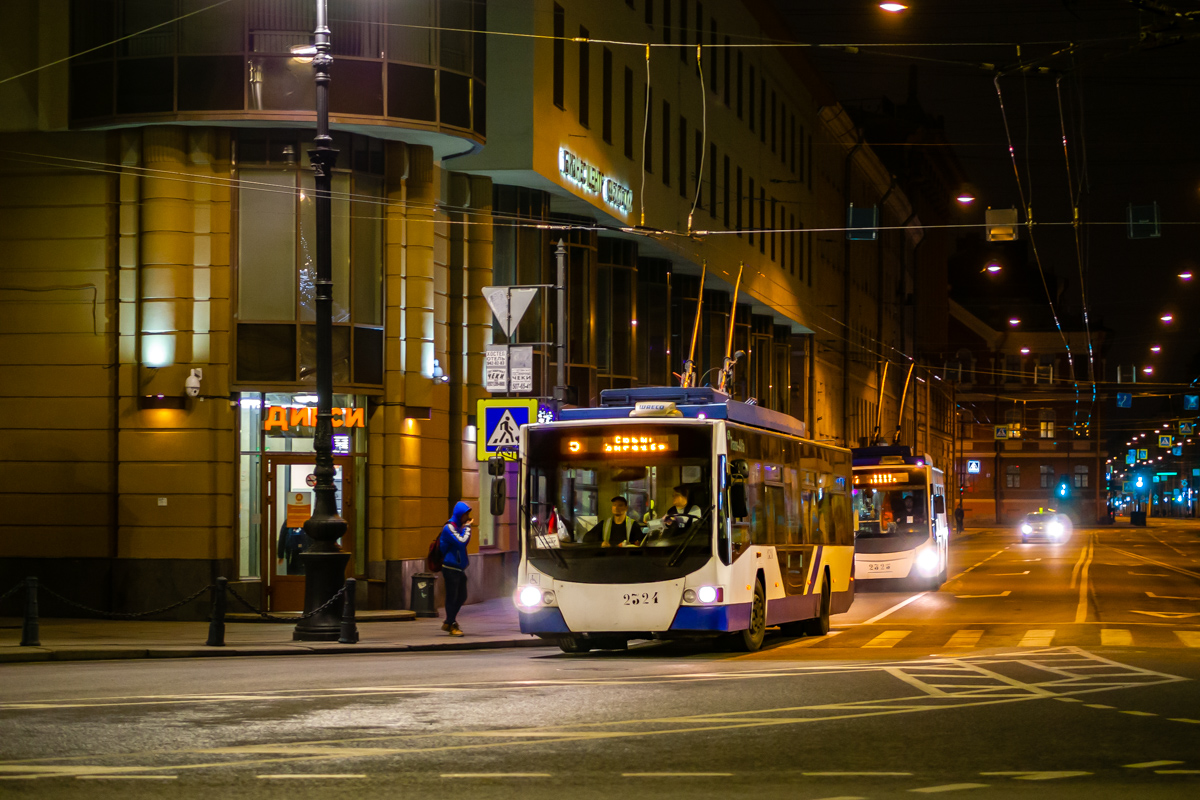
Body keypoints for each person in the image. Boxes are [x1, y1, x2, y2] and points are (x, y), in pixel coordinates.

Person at [439, 501, 473, 636]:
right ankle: (451, 624)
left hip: (459, 568)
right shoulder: (449, 528)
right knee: (452, 597)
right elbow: (461, 541)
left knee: (462, 596)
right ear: (460, 515)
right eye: (466, 515)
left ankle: (449, 622)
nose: (468, 518)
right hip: (450, 567)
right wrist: (468, 528)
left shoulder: (458, 527)